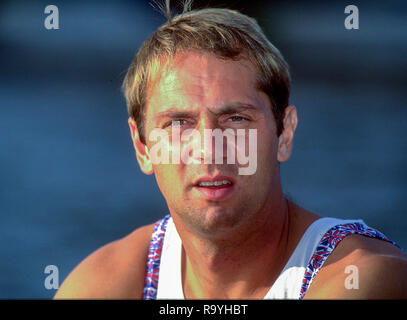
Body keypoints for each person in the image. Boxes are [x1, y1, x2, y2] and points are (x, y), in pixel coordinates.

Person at [54, 1, 407, 299]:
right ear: (142, 146)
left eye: (235, 119)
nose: (208, 149)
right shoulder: (103, 285)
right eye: (178, 123)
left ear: (284, 133)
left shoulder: (363, 277)